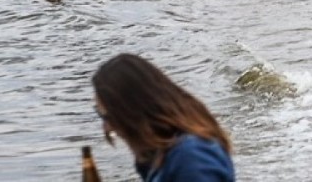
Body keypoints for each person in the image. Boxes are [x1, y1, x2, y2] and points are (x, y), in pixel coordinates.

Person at [92, 53, 235, 180]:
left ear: (130, 111)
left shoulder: (190, 155)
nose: (107, 126)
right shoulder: (164, 155)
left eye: (106, 116)